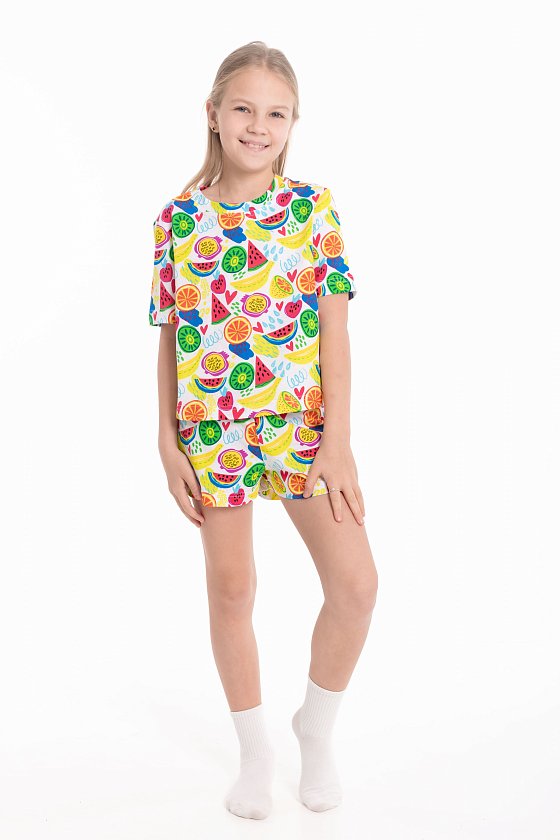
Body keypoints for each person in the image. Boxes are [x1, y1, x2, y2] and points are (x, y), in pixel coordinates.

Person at [148, 40, 378, 820]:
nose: (258, 125)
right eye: (243, 108)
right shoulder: (178, 221)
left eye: (276, 113)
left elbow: (335, 332)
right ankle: (254, 754)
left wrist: (337, 442)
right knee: (232, 588)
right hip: (213, 431)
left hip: (303, 430)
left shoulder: (313, 210)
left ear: (293, 124)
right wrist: (167, 442)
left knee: (356, 586)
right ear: (213, 114)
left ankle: (316, 727)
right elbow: (171, 341)